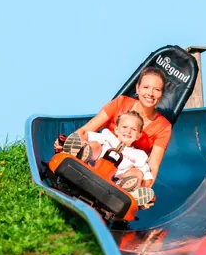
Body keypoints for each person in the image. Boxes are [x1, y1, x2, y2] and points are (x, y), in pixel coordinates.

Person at [55, 66, 172, 207]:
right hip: (98, 158)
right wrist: (69, 141)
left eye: (157, 89)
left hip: (124, 171)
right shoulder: (120, 103)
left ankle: (129, 191)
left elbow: (152, 167)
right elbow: (88, 130)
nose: (150, 93)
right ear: (137, 88)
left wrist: (146, 190)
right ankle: (78, 153)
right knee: (94, 145)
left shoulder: (163, 127)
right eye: (146, 87)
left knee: (137, 173)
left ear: (161, 94)